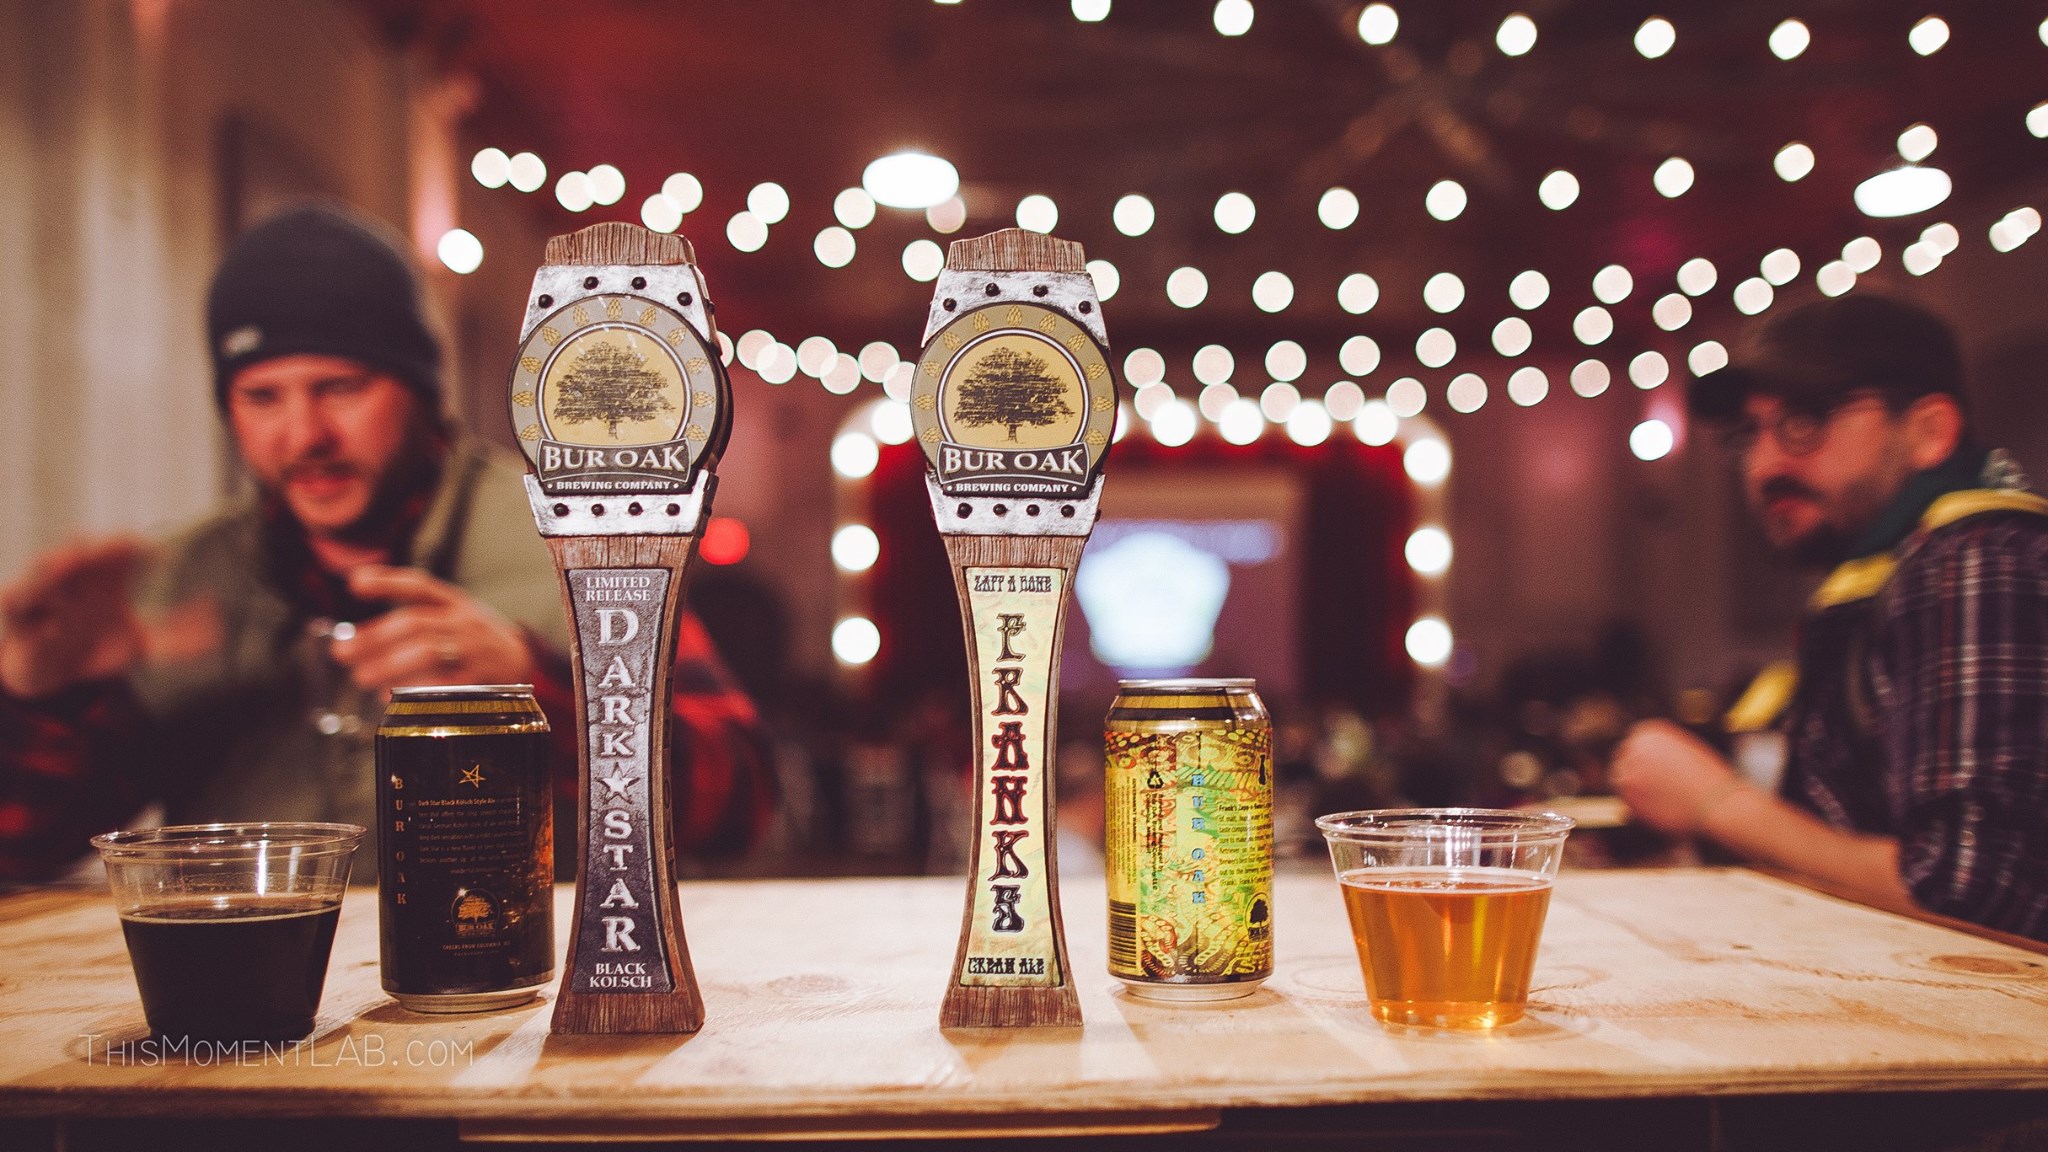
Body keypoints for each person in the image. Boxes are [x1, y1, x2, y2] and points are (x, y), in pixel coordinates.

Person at [0, 205, 774, 880]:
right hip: (253, 1020)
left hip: (513, 1014)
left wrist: (543, 695)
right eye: (261, 396)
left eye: (341, 388)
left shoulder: (574, 542)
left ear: (422, 391)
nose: (304, 436)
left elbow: (743, 799)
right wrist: (44, 698)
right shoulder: (177, 580)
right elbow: (24, 851)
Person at [1611, 295, 2048, 941]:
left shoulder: (1975, 561)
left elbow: (1969, 896)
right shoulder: (1891, 571)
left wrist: (1714, 804)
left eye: (1804, 421)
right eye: (1749, 435)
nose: (1763, 466)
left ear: (1929, 430)